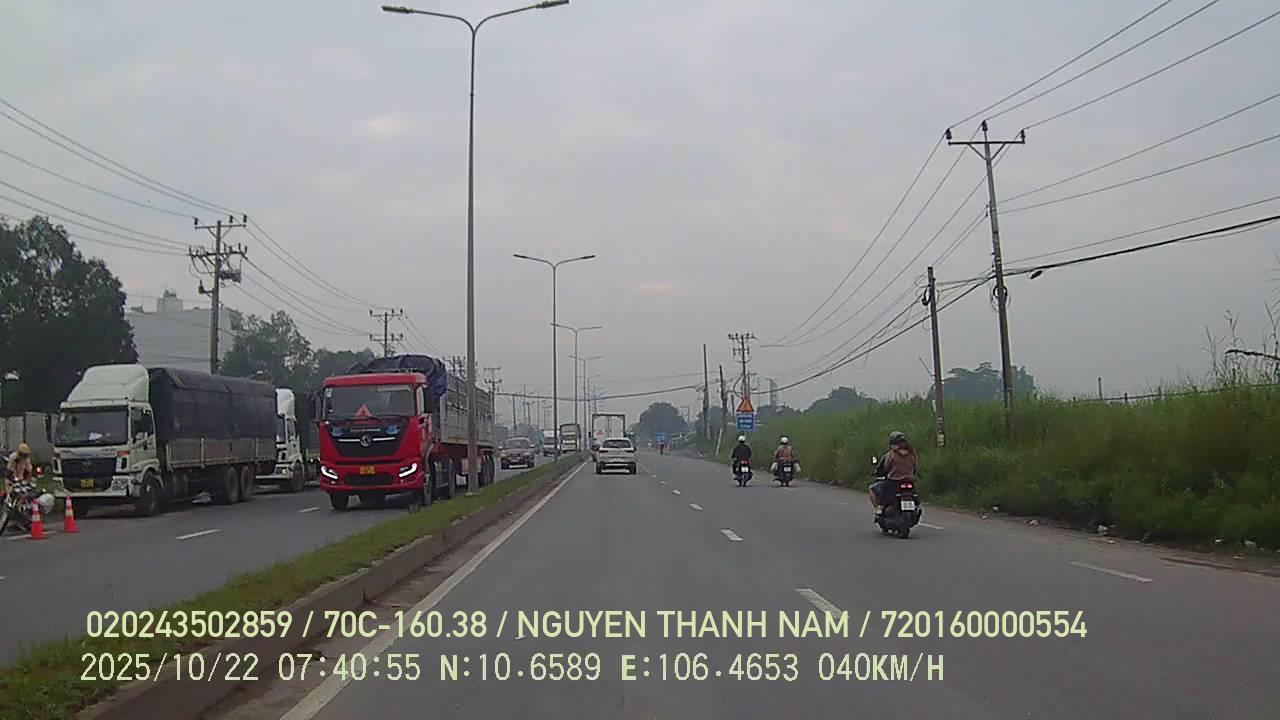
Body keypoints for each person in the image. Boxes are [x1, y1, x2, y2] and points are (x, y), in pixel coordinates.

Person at [870, 431, 917, 515]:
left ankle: (880, 507)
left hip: (894, 481)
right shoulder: (911, 454)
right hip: (909, 480)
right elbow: (914, 466)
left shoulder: (891, 454)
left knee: (874, 489)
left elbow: (886, 466)